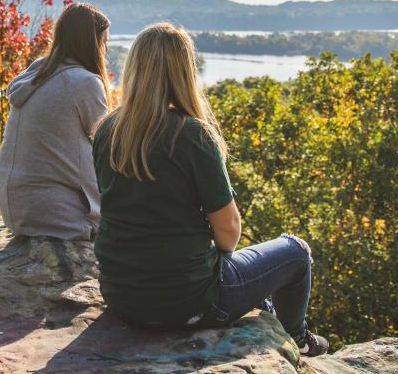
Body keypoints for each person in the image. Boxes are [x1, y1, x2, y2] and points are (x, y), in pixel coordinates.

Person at [92, 23, 328, 356]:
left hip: (121, 298)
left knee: (237, 273)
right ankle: (297, 341)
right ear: (184, 72)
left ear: (134, 69)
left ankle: (269, 317)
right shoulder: (192, 136)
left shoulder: (107, 131)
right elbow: (229, 232)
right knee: (296, 252)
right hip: (189, 304)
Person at [0, 2, 111, 241]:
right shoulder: (85, 83)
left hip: (16, 211)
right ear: (90, 43)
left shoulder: (36, 73)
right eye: (103, 42)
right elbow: (108, 149)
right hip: (60, 216)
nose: (106, 49)